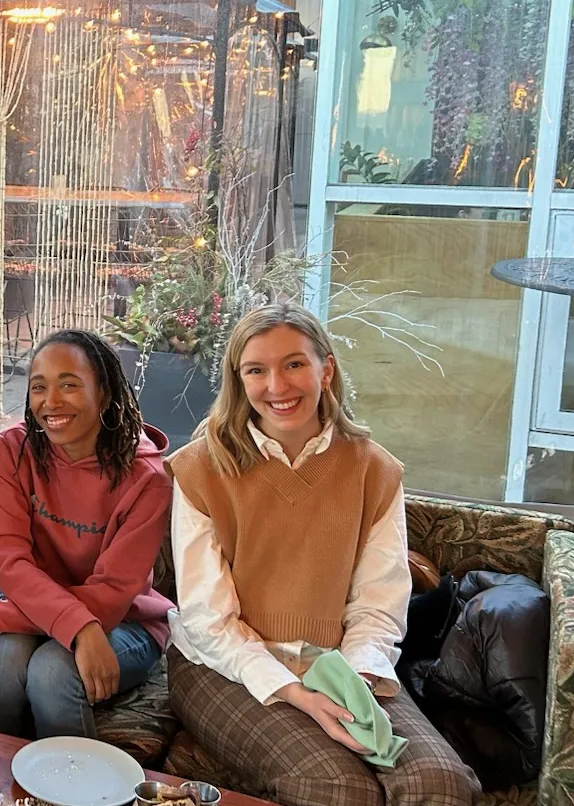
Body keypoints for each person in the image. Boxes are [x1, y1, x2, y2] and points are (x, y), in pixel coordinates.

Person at [165, 303, 478, 806]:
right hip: (221, 665)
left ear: (325, 368)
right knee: (336, 787)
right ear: (238, 380)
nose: (277, 386)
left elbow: (379, 604)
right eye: (256, 370)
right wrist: (299, 694)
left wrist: (348, 679)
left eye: (294, 364)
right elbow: (208, 621)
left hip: (339, 662)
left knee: (440, 783)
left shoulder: (373, 469)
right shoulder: (202, 469)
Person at [0, 329, 172, 738]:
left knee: (52, 670)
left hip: (125, 623)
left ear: (103, 394)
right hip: (33, 602)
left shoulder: (148, 479)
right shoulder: (14, 450)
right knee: (3, 663)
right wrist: (75, 622)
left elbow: (110, 596)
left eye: (69, 385)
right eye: (39, 387)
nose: (50, 402)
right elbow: (6, 557)